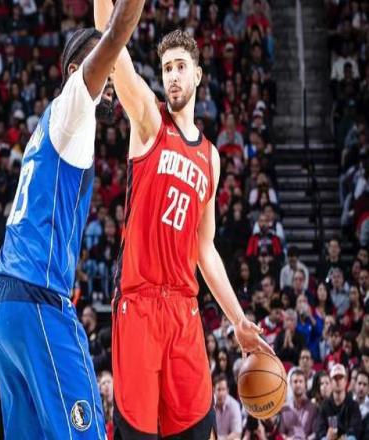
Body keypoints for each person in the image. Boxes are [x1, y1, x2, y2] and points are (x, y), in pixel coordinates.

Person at [93, 5, 273, 437]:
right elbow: (112, 45)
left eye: (180, 67)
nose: (172, 76)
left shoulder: (211, 157)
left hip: (184, 310)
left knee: (197, 430)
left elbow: (204, 249)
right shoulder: (148, 119)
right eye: (166, 68)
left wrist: (238, 320)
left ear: (197, 75)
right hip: (138, 303)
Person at [0, 0, 146, 436]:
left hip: (5, 304)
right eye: (106, 70)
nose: (112, 82)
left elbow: (18, 227)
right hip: (39, 301)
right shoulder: (73, 105)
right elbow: (116, 34)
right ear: (76, 71)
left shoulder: (45, 130)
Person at [314, 364, 362, 440]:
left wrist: (346, 438)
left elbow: (356, 430)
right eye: (335, 378)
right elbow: (320, 431)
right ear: (331, 382)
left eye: (340, 378)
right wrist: (327, 438)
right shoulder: (324, 406)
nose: (338, 381)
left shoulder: (354, 405)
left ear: (345, 381)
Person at [279, 369, 317, 439]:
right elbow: (282, 433)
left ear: (305, 385)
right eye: (295, 381)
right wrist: (287, 439)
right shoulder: (284, 408)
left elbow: (315, 433)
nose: (298, 384)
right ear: (290, 384)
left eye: (301, 381)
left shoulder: (313, 408)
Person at [214, 374, 242, 440]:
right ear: (213, 390)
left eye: (223, 389)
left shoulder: (234, 405)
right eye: (218, 389)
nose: (221, 393)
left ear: (227, 390)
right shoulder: (210, 405)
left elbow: (237, 432)